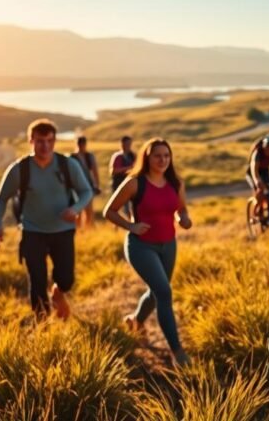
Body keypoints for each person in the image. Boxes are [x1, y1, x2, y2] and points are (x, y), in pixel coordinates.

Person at [0, 118, 93, 318]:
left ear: (54, 141)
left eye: (49, 141)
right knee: (37, 282)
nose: (45, 146)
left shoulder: (67, 165)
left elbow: (86, 191)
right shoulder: (20, 169)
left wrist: (76, 208)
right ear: (31, 141)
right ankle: (43, 327)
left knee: (66, 279)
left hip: (63, 231)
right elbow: (1, 198)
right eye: (39, 141)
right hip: (32, 232)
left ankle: (58, 292)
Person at [104, 137, 193, 367]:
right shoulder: (136, 183)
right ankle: (177, 351)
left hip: (168, 245)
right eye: (157, 156)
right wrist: (131, 226)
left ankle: (136, 321)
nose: (162, 160)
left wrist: (183, 218)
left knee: (156, 293)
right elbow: (109, 211)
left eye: (166, 155)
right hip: (141, 246)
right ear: (147, 157)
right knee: (164, 292)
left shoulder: (176, 183)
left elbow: (181, 208)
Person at [70, 135, 101, 228]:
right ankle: (78, 229)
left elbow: (95, 171)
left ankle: (88, 229)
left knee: (89, 210)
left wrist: (96, 184)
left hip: (88, 185)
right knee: (77, 210)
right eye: (80, 144)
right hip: (76, 187)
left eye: (83, 144)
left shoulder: (89, 156)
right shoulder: (72, 157)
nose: (82, 146)